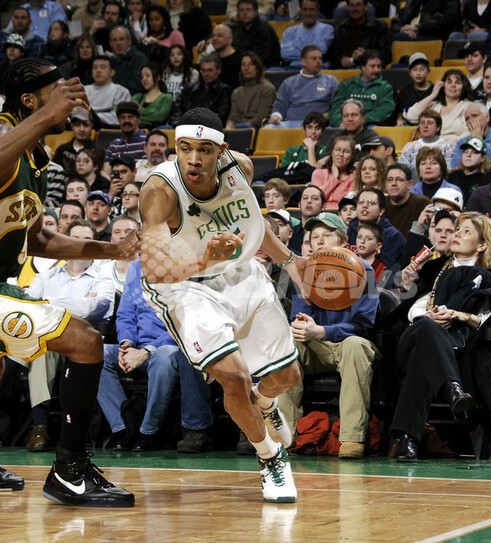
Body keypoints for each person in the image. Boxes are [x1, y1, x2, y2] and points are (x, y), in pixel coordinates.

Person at [0, 58, 138, 506]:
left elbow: (39, 239)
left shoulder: (34, 159)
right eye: (57, 91)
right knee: (87, 341)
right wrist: (47, 115)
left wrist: (112, 250)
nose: (69, 99)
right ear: (31, 100)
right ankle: (70, 471)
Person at [138, 107, 304, 502]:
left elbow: (251, 222)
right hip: (185, 286)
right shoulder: (159, 191)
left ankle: (265, 403)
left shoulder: (240, 168)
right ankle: (270, 458)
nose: (193, 159)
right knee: (235, 378)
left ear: (222, 150)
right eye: (184, 149)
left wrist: (291, 262)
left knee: (288, 377)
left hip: (238, 272)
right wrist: (204, 260)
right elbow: (154, 270)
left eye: (204, 150)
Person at [391, 213, 491, 461]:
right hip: (412, 337)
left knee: (423, 357)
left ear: (482, 244)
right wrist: (428, 316)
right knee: (427, 327)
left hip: (455, 351)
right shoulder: (433, 268)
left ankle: (408, 439)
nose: (456, 235)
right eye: (458, 230)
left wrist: (461, 316)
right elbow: (410, 308)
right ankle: (452, 388)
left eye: (466, 232)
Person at [278, 212, 378, 458]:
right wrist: (303, 328)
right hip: (316, 348)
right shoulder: (304, 272)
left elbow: (363, 326)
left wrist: (322, 331)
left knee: (355, 345)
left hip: (349, 346)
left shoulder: (365, 271)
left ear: (343, 241)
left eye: (328, 235)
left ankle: (352, 438)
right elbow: (299, 321)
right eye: (315, 237)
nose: (320, 241)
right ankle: (285, 436)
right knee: (287, 345)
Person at [99, 256, 214, 453]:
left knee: (164, 356)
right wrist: (126, 344)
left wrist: (147, 351)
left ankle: (148, 432)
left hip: (172, 345)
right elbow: (126, 314)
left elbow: (185, 322)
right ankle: (123, 429)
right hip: (136, 347)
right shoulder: (136, 267)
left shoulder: (188, 267)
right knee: (98, 354)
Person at [24, 220, 115, 451]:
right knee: (43, 347)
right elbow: (28, 306)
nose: (80, 245)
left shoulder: (102, 277)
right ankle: (40, 427)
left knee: (42, 345)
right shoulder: (47, 276)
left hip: (83, 348)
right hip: (44, 343)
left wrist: (46, 303)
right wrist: (78, 302)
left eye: (87, 240)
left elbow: (95, 308)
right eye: (75, 239)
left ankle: (45, 426)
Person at [267, 45, 338, 128]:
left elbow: (337, 105)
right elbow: (280, 106)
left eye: (320, 58)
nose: (318, 62)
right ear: (303, 62)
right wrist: (276, 117)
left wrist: (328, 115)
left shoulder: (331, 81)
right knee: (268, 128)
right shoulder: (289, 83)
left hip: (319, 125)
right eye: (314, 59)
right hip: (292, 124)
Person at [405, 70, 473, 146]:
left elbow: (469, 132)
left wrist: (449, 147)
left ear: (463, 88)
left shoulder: (469, 107)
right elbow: (411, 116)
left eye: (458, 83)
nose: (453, 85)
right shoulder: (434, 106)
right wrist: (433, 95)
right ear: (443, 86)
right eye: (449, 82)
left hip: (454, 148)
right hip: (429, 147)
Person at [330, 50, 394, 128]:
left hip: (369, 125)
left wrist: (360, 120)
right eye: (372, 66)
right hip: (345, 123)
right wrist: (340, 122)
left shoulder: (386, 87)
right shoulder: (346, 85)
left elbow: (384, 111)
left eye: (379, 66)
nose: (376, 70)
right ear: (363, 67)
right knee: (329, 130)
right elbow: (335, 109)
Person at [346, 187, 406, 266]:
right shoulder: (347, 231)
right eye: (361, 202)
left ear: (381, 211)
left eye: (371, 203)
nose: (365, 206)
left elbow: (386, 268)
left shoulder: (393, 236)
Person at [174, 54, 233, 126]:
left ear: (219, 70)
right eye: (203, 70)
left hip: (212, 129)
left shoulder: (225, 90)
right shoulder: (190, 90)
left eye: (210, 70)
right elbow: (177, 110)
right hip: (188, 128)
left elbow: (221, 115)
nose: (206, 74)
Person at [331, 0, 392, 69]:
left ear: (366, 7)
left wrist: (366, 55)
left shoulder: (379, 26)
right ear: (348, 7)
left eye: (358, 5)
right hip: (344, 69)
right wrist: (341, 59)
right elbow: (333, 54)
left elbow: (386, 55)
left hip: (369, 68)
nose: (355, 9)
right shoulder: (340, 28)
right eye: (351, 5)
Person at [451, 103, 491, 169]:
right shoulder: (462, 142)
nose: (470, 121)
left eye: (474, 116)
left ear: (487, 118)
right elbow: (455, 167)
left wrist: (478, 140)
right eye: (467, 119)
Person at [399, 110, 455, 182]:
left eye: (430, 123)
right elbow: (402, 170)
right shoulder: (410, 146)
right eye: (422, 123)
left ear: (438, 127)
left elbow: (449, 171)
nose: (425, 126)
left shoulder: (447, 147)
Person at [226, 52, 276, 130]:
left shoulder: (267, 88)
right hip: (238, 128)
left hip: (258, 128)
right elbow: (233, 117)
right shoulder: (236, 92)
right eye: (243, 65)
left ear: (257, 69)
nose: (246, 68)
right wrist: (229, 126)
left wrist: (244, 126)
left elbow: (262, 116)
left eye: (250, 64)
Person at [280, 0, 334, 70]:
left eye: (311, 10)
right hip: (293, 69)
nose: (308, 13)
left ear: (317, 11)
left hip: (318, 70)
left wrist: (296, 48)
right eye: (305, 9)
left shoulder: (327, 29)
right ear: (300, 11)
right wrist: (310, 51)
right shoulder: (290, 31)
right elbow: (285, 54)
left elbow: (319, 51)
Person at [385, 163, 431, 237]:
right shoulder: (380, 203)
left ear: (409, 184)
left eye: (399, 180)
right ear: (386, 184)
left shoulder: (422, 203)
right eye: (390, 180)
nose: (393, 183)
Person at [232, 0, 281, 68]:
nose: (244, 13)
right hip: (245, 65)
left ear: (256, 12)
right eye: (241, 10)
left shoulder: (264, 29)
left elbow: (260, 57)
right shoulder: (239, 28)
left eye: (248, 10)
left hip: (266, 66)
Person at [85, 55, 132, 127]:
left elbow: (119, 117)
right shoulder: (83, 90)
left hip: (109, 129)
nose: (98, 70)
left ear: (112, 72)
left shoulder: (121, 91)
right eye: (95, 67)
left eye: (103, 67)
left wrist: (92, 117)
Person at [311, 135, 356, 209]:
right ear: (332, 153)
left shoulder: (354, 177)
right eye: (337, 150)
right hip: (319, 214)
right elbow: (315, 198)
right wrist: (334, 177)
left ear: (351, 156)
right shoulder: (318, 173)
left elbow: (349, 203)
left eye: (346, 151)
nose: (341, 154)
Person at [51, 107, 96, 179]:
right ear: (72, 126)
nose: (81, 129)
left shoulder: (97, 152)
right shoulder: (62, 150)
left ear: (91, 126)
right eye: (77, 124)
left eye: (85, 125)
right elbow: (54, 173)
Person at [197, 24, 241, 91]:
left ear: (230, 40)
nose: (215, 38)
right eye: (213, 36)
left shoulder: (239, 60)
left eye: (219, 36)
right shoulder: (209, 59)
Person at [390, 0, 461, 42]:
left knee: (397, 38)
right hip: (408, 33)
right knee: (388, 34)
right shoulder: (412, 2)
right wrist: (402, 29)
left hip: (434, 35)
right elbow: (396, 22)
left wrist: (417, 28)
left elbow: (444, 20)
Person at [447, 137, 491, 203]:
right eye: (466, 151)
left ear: (483, 158)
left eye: (474, 152)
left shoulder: (486, 180)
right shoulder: (451, 176)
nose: (468, 155)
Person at [107, 25, 147, 96]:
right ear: (110, 43)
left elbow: (137, 84)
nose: (118, 43)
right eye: (114, 40)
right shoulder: (109, 61)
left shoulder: (139, 58)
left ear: (129, 41)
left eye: (121, 39)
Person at [131, 63, 173, 129]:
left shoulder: (166, 98)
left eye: (147, 76)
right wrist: (152, 111)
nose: (144, 79)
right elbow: (130, 116)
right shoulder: (136, 97)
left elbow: (159, 117)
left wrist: (139, 113)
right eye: (142, 77)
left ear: (158, 78)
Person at [397, 53, 434, 125]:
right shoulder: (404, 91)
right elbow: (400, 112)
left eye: (422, 69)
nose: (418, 73)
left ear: (428, 71)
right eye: (414, 69)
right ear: (410, 73)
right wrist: (399, 120)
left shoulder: (436, 90)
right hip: (408, 125)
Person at [289, 185, 325, 254]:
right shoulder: (291, 234)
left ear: (323, 206)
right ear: (299, 205)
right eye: (305, 198)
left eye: (315, 198)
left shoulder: (329, 233)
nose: (309, 201)